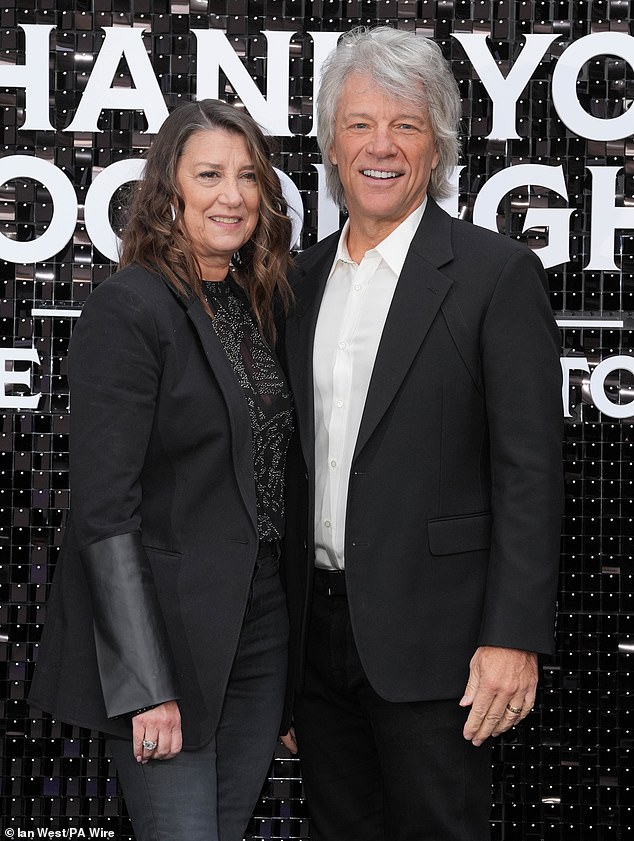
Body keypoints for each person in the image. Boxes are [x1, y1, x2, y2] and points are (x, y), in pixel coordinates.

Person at [279, 26, 563, 841]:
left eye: (406, 125)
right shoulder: (293, 281)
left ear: (437, 146)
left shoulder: (493, 274)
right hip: (315, 637)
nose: (382, 145)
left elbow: (529, 471)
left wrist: (511, 635)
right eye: (361, 123)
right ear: (331, 143)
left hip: (440, 644)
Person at [29, 98, 295, 841]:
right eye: (209, 174)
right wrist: (146, 686)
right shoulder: (129, 308)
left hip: (260, 627)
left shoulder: (256, 302)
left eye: (248, 176)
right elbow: (104, 512)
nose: (232, 195)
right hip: (168, 639)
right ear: (168, 191)